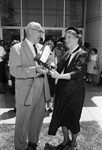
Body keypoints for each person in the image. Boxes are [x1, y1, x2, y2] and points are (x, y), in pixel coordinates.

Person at [9, 22, 51, 150]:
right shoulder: (17, 48)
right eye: (40, 31)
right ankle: (21, 146)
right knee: (22, 121)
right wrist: (35, 70)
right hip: (26, 91)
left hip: (41, 88)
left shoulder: (41, 47)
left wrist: (47, 67)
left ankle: (33, 142)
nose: (41, 34)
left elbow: (45, 64)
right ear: (31, 31)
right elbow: (14, 70)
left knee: (37, 119)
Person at [48, 26, 88, 150]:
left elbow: (78, 73)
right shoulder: (66, 54)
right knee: (62, 116)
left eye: (69, 37)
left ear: (77, 38)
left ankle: (73, 142)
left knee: (73, 117)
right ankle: (65, 140)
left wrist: (59, 75)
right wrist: (49, 69)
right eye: (66, 38)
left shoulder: (83, 54)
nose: (67, 40)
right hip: (62, 91)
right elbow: (59, 69)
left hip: (75, 93)